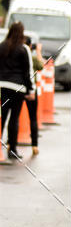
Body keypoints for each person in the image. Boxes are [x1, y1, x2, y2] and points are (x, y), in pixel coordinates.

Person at [0, 22, 35, 161]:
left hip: (1, 87)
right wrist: (30, 89)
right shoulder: (23, 49)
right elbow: (27, 72)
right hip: (17, 88)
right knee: (14, 119)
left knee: (1, 118)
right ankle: (12, 150)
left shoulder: (1, 46)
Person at [24, 35, 44, 156]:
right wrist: (39, 52)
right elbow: (41, 66)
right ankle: (34, 145)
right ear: (31, 46)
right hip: (31, 89)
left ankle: (11, 144)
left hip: (18, 88)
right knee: (33, 118)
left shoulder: (16, 56)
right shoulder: (33, 58)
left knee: (14, 117)